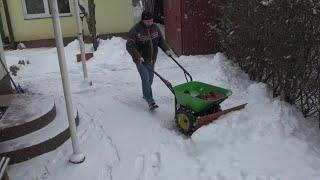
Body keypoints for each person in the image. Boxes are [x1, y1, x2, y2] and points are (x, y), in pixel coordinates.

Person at [126, 10, 171, 110]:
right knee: (145, 79)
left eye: (151, 21)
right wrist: (137, 56)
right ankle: (150, 100)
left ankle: (145, 94)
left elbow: (161, 41)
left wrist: (166, 49)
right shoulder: (136, 30)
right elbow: (129, 45)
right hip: (140, 60)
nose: (150, 23)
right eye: (148, 22)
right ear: (143, 20)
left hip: (151, 59)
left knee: (150, 79)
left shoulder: (155, 28)